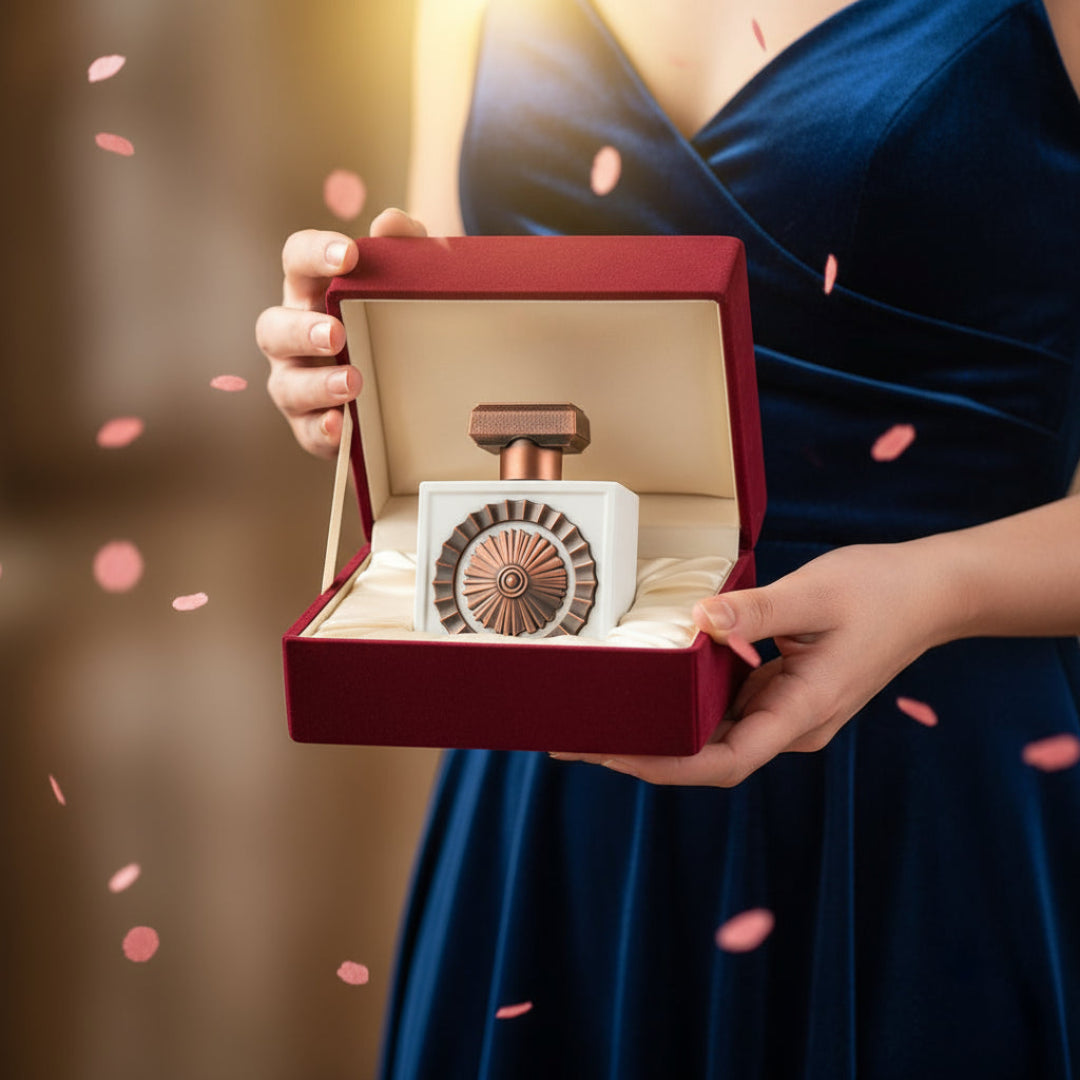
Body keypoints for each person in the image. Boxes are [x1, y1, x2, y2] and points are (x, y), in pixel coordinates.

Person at [257, 0, 1080, 1075]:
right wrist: (356, 377)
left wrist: (938, 590)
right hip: (565, 759)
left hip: (932, 777)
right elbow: (464, 383)